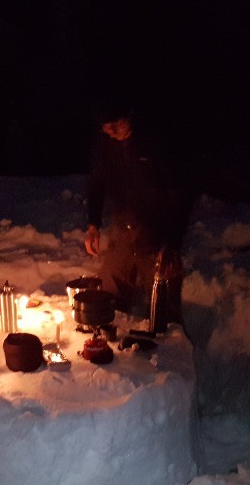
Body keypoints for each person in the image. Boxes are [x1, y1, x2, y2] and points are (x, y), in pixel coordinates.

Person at [84, 105, 198, 325]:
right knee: (110, 295)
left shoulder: (154, 142)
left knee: (162, 297)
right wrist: (93, 224)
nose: (111, 130)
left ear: (129, 116)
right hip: (123, 229)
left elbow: (181, 192)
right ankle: (113, 339)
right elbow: (96, 182)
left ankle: (168, 342)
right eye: (106, 127)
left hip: (156, 232)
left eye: (116, 124)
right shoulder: (103, 144)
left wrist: (171, 243)